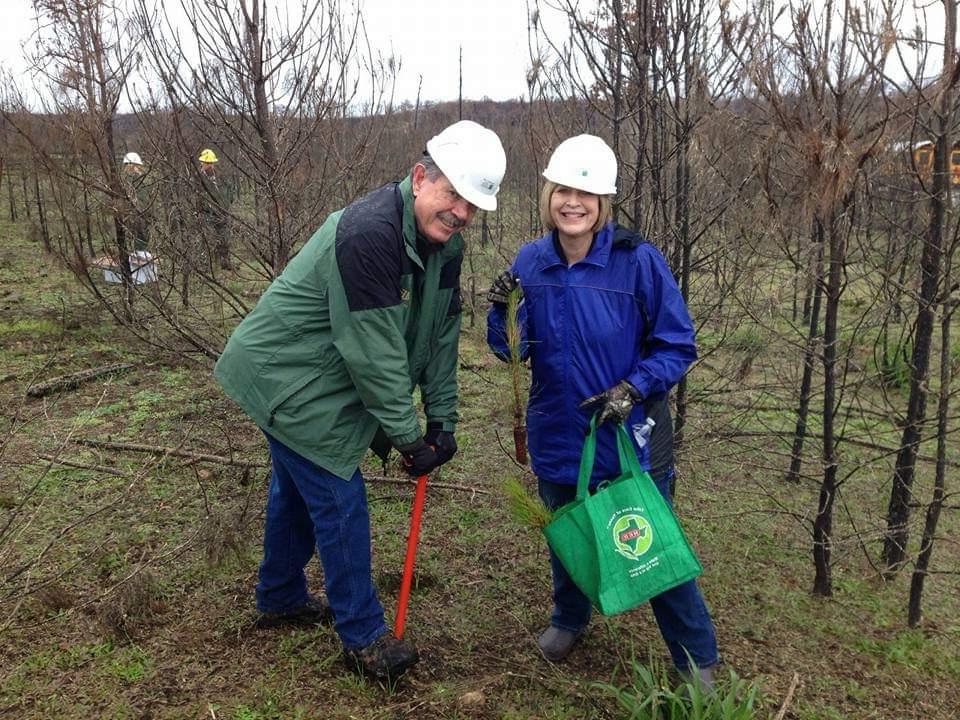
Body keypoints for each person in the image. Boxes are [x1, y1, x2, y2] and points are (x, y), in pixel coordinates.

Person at [214, 121, 506, 683]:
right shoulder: (369, 233)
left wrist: (443, 417)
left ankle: (278, 596)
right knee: (338, 499)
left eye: (473, 204)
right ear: (420, 177)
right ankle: (365, 638)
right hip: (288, 377)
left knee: (299, 493)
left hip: (320, 374)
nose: (462, 213)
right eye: (454, 196)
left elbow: (441, 336)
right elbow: (374, 354)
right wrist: (408, 438)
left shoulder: (447, 245)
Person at [486, 134, 720, 687]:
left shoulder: (636, 262)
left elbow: (677, 344)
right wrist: (501, 311)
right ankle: (569, 618)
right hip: (556, 432)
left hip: (627, 435)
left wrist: (631, 390)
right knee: (567, 533)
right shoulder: (531, 260)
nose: (574, 202)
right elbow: (510, 352)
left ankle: (695, 657)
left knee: (650, 542)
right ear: (548, 194)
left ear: (604, 202)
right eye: (564, 189)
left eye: (587, 193)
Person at [196, 148, 234, 269]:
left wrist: (226, 207)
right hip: (207, 214)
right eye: (206, 162)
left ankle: (225, 262)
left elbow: (229, 193)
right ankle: (205, 265)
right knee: (206, 239)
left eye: (209, 162)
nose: (207, 165)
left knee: (225, 239)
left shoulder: (221, 177)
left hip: (222, 213)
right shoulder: (198, 179)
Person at [121, 152, 150, 253]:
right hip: (134, 213)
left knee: (141, 236)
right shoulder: (128, 179)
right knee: (137, 236)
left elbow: (144, 198)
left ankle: (142, 253)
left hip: (140, 212)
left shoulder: (139, 179)